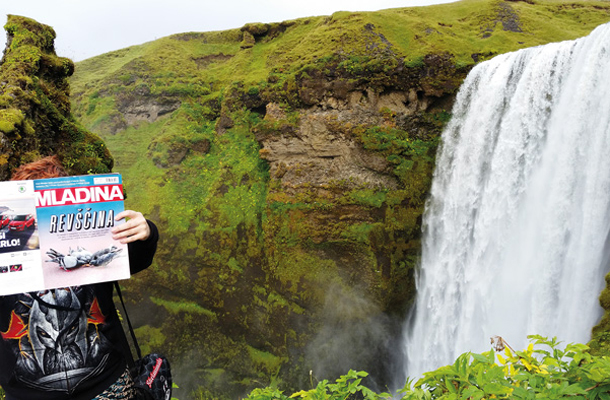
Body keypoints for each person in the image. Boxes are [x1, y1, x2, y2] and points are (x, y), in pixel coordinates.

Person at [0, 156, 159, 400]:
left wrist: (146, 232)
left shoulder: (92, 242)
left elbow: (136, 258)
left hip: (106, 382)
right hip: (27, 393)